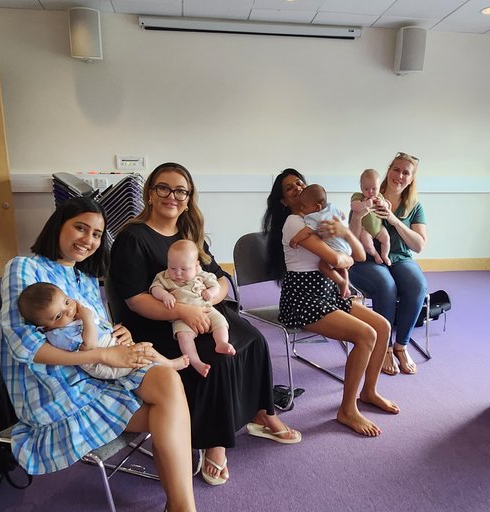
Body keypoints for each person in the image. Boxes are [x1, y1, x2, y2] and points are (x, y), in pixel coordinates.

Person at [0, 197, 230, 512]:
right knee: (167, 408)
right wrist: (102, 354)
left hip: (103, 367)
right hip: (57, 385)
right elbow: (26, 346)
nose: (87, 239)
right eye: (80, 228)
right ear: (58, 224)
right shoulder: (24, 268)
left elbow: (96, 328)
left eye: (96, 234)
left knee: (169, 380)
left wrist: (117, 334)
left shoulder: (87, 278)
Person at [109, 162, 301, 488]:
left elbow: (222, 279)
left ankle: (261, 411)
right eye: (164, 188)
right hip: (157, 323)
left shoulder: (189, 234)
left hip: (202, 312)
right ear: (150, 194)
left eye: (180, 190)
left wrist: (211, 297)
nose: (172, 196)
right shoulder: (133, 237)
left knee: (253, 339)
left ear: (188, 197)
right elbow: (134, 300)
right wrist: (182, 311)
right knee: (216, 358)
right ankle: (216, 442)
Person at [263, 168, 399, 437]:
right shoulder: (293, 222)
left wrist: (346, 232)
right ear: (283, 201)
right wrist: (343, 253)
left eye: (300, 182)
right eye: (290, 188)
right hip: (302, 298)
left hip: (327, 293)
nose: (298, 188)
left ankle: (369, 392)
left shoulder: (320, 218)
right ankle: (347, 410)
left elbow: (358, 255)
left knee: (382, 326)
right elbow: (338, 260)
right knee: (366, 334)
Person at [346, 152, 429, 377]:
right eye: (396, 169)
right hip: (366, 260)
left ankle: (401, 345)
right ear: (389, 170)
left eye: (406, 173)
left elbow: (419, 245)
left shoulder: (414, 207)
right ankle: (385, 347)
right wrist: (358, 214)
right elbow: (352, 240)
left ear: (411, 179)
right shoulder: (368, 193)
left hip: (400, 258)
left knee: (417, 285)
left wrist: (393, 219)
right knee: (386, 285)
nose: (399, 176)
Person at [17, 281, 188, 380]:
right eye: (58, 316)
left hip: (111, 348)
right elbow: (90, 347)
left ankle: (168, 364)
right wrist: (87, 319)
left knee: (145, 350)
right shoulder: (59, 335)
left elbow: (103, 327)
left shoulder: (72, 319)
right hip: (102, 364)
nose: (69, 311)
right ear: (46, 327)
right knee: (145, 355)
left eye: (67, 302)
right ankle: (169, 365)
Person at [150, 238, 234, 378]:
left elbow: (216, 285)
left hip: (206, 309)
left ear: (196, 266)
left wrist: (211, 292)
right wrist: (164, 295)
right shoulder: (164, 277)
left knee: (221, 323)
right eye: (172, 268)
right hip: (181, 316)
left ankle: (221, 343)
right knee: (183, 336)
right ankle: (195, 362)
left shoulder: (202, 275)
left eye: (184, 269)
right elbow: (154, 288)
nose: (177, 273)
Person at [296, 183, 352, 298]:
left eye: (304, 206)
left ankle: (342, 282)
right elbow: (343, 215)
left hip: (335, 248)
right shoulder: (331, 207)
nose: (301, 208)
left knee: (323, 266)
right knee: (340, 267)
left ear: (317, 207)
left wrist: (295, 239)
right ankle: (345, 287)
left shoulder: (315, 217)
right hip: (346, 246)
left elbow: (307, 231)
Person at [350, 168, 392, 265]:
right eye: (366, 189)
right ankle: (375, 255)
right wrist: (365, 204)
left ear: (379, 186)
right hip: (365, 230)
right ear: (361, 187)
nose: (370, 192)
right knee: (367, 244)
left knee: (386, 238)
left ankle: (384, 255)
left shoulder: (379, 196)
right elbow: (354, 206)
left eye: (374, 188)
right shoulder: (358, 196)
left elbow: (387, 205)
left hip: (379, 228)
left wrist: (382, 203)